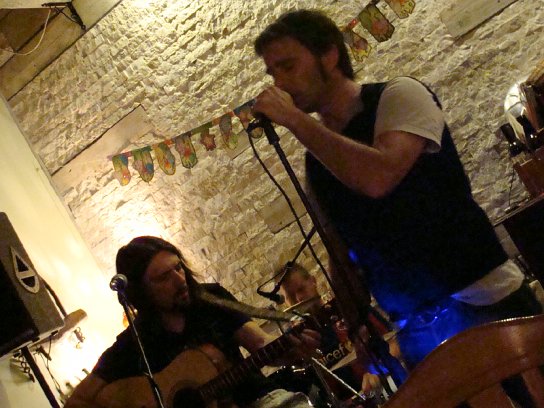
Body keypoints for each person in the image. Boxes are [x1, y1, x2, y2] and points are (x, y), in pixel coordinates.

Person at [253, 9, 542, 372]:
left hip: (485, 301)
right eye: (272, 73)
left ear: (329, 54)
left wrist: (294, 121)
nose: (279, 83)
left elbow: (379, 176)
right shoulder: (318, 161)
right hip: (417, 332)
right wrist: (357, 326)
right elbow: (341, 252)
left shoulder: (400, 95)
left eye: (288, 66)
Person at [65, 236, 320, 408]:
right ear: (141, 292)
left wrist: (294, 350)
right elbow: (77, 403)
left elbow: (262, 343)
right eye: (163, 277)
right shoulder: (134, 343)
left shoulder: (212, 299)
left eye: (178, 268)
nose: (180, 280)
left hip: (259, 400)